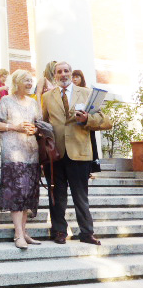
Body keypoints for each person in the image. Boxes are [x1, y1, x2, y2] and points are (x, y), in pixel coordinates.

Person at [42, 61, 110, 246]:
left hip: (79, 153)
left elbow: (105, 121)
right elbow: (43, 121)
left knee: (81, 196)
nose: (63, 74)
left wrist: (88, 118)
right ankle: (59, 231)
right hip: (55, 154)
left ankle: (87, 233)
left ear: (71, 74)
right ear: (54, 75)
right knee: (57, 196)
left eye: (66, 71)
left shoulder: (86, 93)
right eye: (59, 72)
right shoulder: (47, 97)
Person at [0, 70, 42, 249]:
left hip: (31, 152)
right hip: (13, 152)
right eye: (26, 80)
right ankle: (18, 234)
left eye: (31, 80)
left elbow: (39, 125)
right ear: (18, 82)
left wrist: (34, 130)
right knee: (17, 192)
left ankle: (24, 232)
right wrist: (16, 127)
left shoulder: (34, 102)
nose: (30, 83)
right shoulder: (6, 100)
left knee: (27, 193)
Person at [71, 70, 102, 174]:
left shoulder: (87, 91)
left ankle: (90, 169)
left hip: (87, 121)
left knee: (91, 144)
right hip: (76, 124)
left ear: (81, 78)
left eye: (77, 77)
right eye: (73, 77)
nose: (74, 79)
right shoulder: (70, 93)